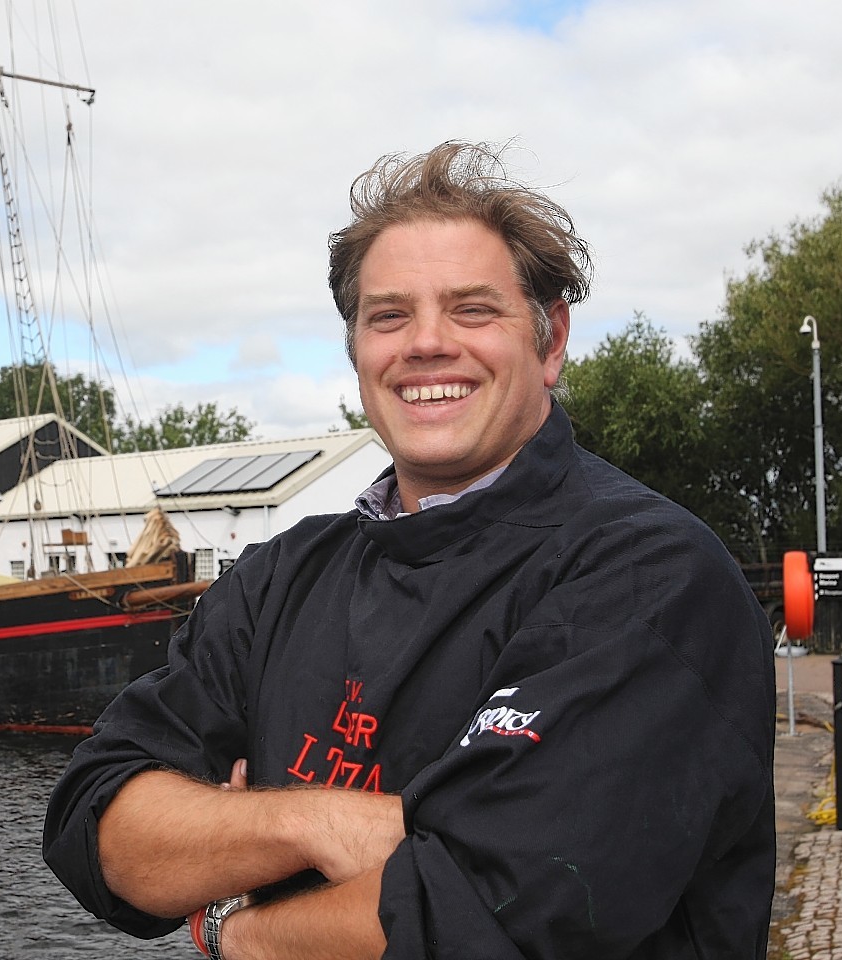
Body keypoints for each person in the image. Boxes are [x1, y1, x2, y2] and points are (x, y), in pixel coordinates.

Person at [42, 141, 775, 960]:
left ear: (551, 339)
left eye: (472, 309)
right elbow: (92, 826)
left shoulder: (649, 576)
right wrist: (318, 821)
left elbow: (483, 915)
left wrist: (232, 926)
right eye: (389, 315)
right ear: (357, 348)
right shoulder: (281, 578)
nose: (426, 344)